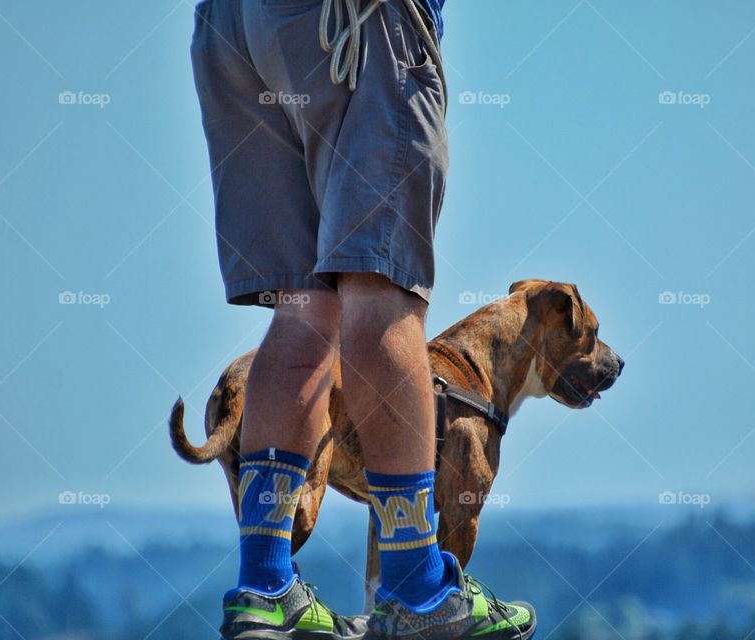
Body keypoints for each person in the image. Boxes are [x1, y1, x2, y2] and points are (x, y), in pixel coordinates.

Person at [190, 0, 537, 638]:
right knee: (381, 289)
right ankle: (417, 591)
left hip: (237, 26)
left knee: (305, 307)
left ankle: (265, 587)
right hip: (354, 22)